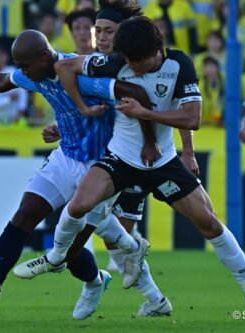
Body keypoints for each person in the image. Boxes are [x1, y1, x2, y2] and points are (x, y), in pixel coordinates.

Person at [17, 16, 245, 319]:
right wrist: (80, 110)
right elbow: (64, 67)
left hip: (162, 160)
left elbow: (192, 118)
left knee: (209, 224)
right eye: (128, 61)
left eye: (138, 62)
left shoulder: (179, 65)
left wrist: (146, 114)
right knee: (80, 203)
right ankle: (56, 257)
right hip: (121, 157)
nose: (132, 67)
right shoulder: (116, 60)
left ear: (157, 50)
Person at [0, 29, 157, 321]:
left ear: (45, 56)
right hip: (65, 157)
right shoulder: (36, 72)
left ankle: (96, 281)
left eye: (25, 66)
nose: (22, 72)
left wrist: (148, 141)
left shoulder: (82, 75)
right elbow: (2, 81)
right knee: (24, 215)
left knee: (70, 250)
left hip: (101, 168)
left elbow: (131, 95)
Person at [41, 0, 177, 317]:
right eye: (92, 30)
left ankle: (100, 284)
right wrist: (63, 125)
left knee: (106, 238)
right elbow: (91, 113)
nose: (96, 36)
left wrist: (180, 146)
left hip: (128, 161)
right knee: (113, 240)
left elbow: (162, 103)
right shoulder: (87, 66)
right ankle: (153, 298)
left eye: (106, 31)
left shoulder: (132, 64)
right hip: (103, 164)